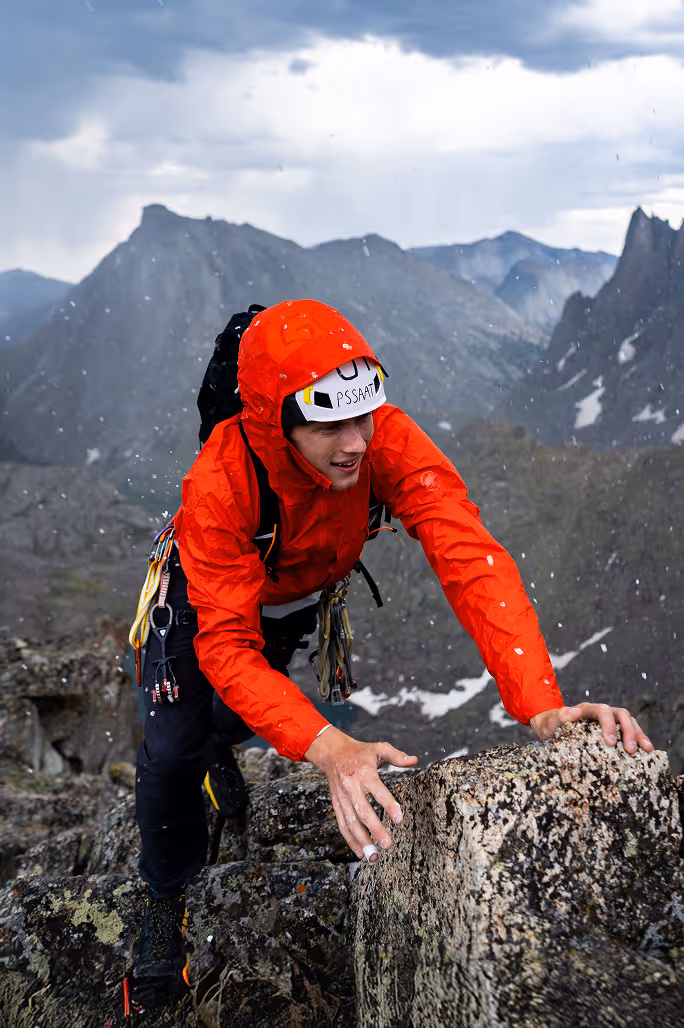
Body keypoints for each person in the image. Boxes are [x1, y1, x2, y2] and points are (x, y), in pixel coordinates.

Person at [131, 299, 652, 998]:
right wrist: (328, 748)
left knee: (232, 720)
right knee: (171, 754)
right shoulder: (221, 484)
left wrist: (542, 708)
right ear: (273, 421)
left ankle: (218, 747)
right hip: (202, 603)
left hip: (291, 596)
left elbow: (471, 559)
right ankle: (163, 904)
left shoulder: (388, 441)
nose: (356, 443)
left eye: (363, 415)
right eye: (331, 424)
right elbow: (225, 648)